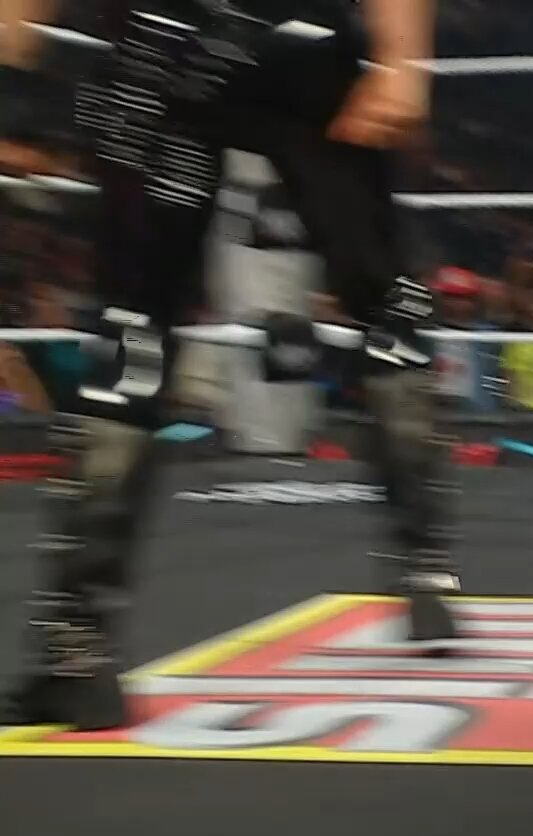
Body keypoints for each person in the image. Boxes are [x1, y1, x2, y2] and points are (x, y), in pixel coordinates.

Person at [0, 0, 460, 732]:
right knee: (383, 302)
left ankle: (79, 651)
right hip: (271, 43)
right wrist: (403, 63)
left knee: (132, 322)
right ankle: (428, 569)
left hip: (173, 48)